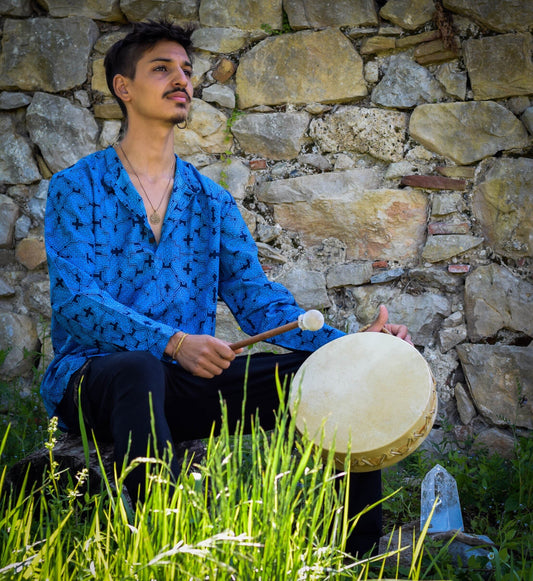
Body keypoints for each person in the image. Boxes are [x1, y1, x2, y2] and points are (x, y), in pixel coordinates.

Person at [41, 20, 411, 557]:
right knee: (139, 368)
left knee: (325, 377)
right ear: (124, 88)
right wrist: (174, 343)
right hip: (96, 380)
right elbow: (76, 302)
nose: (181, 81)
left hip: (184, 383)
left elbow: (257, 300)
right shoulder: (76, 187)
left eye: (187, 72)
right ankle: (155, 547)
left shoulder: (211, 200)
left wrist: (351, 346)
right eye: (162, 69)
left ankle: (356, 552)